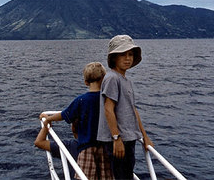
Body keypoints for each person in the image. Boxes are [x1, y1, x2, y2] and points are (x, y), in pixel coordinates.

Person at [40, 62, 113, 180]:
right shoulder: (108, 99)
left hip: (87, 148)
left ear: (86, 82)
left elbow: (64, 115)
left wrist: (48, 118)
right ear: (104, 79)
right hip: (105, 147)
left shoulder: (81, 100)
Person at [97, 34, 154, 179]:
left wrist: (145, 136)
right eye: (122, 54)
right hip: (117, 140)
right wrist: (116, 138)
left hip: (128, 138)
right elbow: (108, 109)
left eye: (130, 54)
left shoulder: (126, 80)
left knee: (127, 174)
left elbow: (132, 110)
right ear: (114, 57)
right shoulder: (112, 78)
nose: (127, 58)